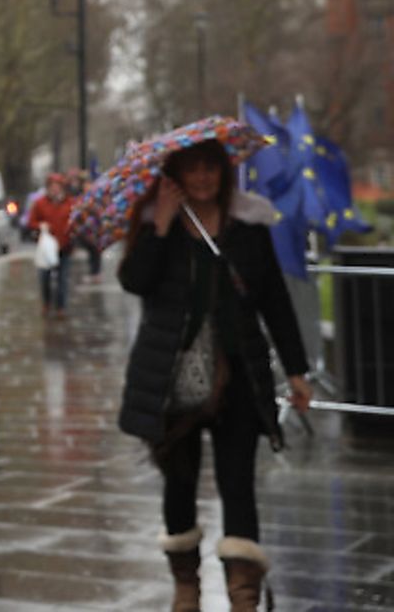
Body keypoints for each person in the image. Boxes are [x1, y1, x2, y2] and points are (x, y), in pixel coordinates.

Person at [118, 140, 312, 612]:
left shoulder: (248, 228)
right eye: (193, 170)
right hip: (172, 379)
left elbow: (275, 303)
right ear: (175, 176)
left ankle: (243, 594)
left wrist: (296, 370)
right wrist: (162, 225)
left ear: (224, 173)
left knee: (238, 482)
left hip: (239, 375)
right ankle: (187, 586)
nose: (203, 178)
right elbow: (135, 283)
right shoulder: (154, 226)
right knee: (179, 483)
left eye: (211, 169)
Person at [24, 174, 73, 317]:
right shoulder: (40, 203)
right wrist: (40, 225)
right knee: (44, 278)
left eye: (57, 186)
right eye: (52, 187)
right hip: (46, 248)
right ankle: (46, 303)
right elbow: (30, 222)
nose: (55, 190)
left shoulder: (70, 203)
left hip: (65, 247)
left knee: (62, 280)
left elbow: (74, 222)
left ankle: (61, 307)